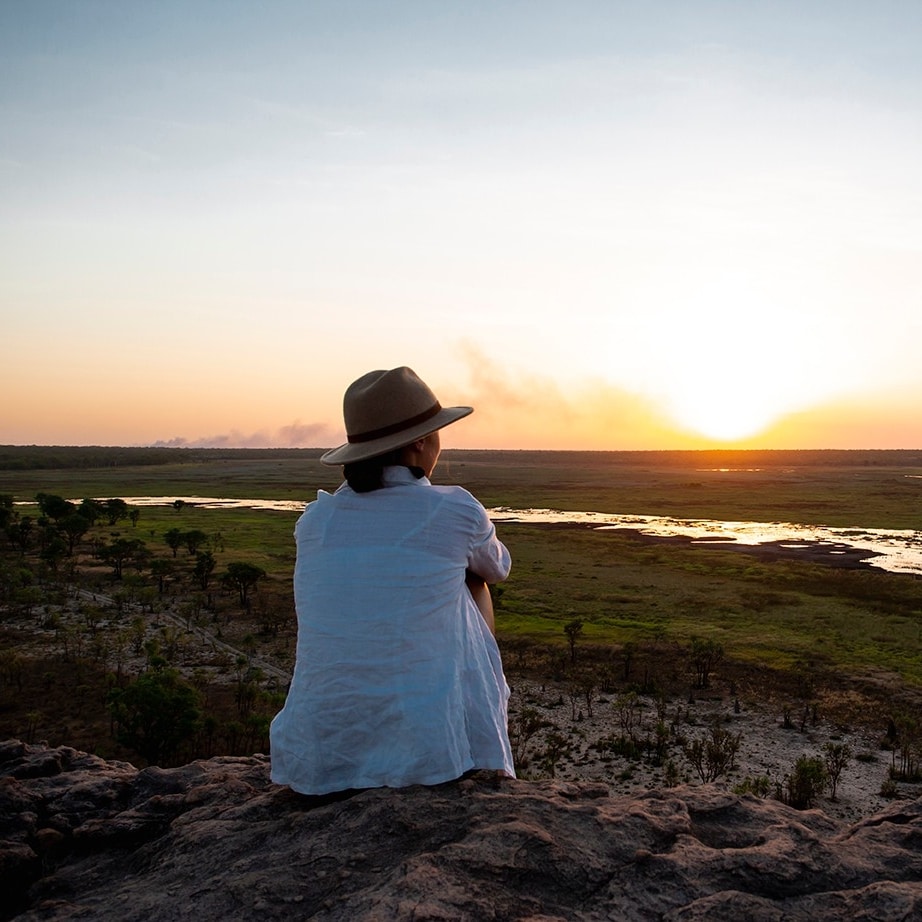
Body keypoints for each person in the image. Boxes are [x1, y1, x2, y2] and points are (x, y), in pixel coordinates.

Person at [270, 366, 515, 795]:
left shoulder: (316, 521)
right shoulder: (454, 508)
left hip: (323, 745)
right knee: (473, 580)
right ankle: (476, 743)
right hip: (429, 746)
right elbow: (497, 568)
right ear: (420, 441)